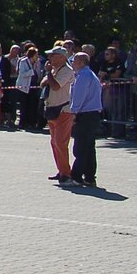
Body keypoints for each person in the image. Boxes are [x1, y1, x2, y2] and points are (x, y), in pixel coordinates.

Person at [42, 45, 76, 184]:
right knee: (54, 143)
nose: (49, 58)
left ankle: (66, 174)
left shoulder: (67, 71)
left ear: (62, 57)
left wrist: (49, 74)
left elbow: (55, 86)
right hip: (52, 108)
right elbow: (43, 83)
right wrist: (49, 74)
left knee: (60, 142)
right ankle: (61, 170)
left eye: (53, 55)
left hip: (63, 110)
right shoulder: (55, 69)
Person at [69, 51, 103, 187]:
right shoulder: (91, 74)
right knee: (89, 147)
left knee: (81, 147)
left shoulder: (83, 76)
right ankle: (89, 176)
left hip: (85, 114)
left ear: (81, 62)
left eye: (74, 61)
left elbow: (79, 96)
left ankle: (76, 176)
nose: (72, 63)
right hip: (93, 114)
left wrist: (73, 113)